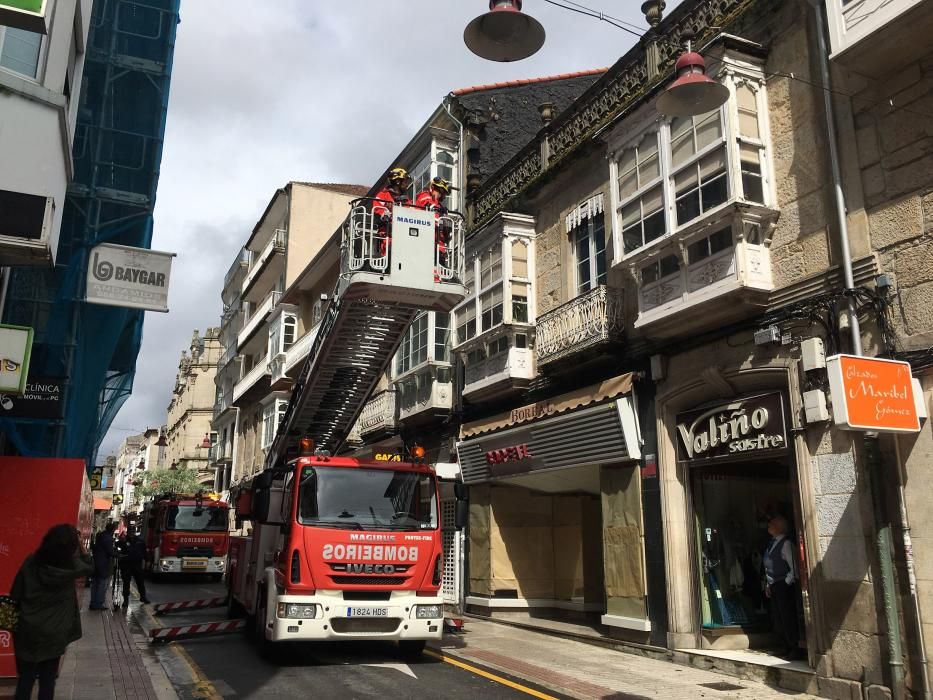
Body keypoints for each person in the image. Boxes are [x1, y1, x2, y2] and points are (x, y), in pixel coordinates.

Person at [10, 524, 93, 700]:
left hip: (27, 630)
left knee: (25, 679)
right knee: (48, 681)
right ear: (71, 546)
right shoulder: (70, 567)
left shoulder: (31, 562)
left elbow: (15, 593)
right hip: (54, 634)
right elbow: (89, 566)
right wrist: (81, 544)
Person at [763, 515, 801, 660]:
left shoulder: (786, 544)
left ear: (779, 527)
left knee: (787, 616)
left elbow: (794, 567)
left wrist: (786, 582)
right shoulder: (771, 543)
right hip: (774, 584)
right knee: (778, 617)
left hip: (783, 585)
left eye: (772, 523)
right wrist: (768, 584)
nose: (769, 525)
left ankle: (794, 648)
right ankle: (784, 646)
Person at [415, 176, 453, 279]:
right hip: (426, 239)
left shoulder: (440, 206)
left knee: (440, 270)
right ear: (433, 188)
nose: (441, 196)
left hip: (438, 242)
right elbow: (428, 205)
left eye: (443, 193)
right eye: (440, 192)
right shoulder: (424, 196)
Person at [371, 167, 412, 260]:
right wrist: (385, 216)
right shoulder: (382, 195)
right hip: (387, 235)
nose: (407, 184)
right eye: (405, 181)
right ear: (397, 181)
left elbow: (412, 214)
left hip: (404, 236)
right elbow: (376, 211)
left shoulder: (406, 200)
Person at [116, 531, 149, 606]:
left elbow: (144, 551)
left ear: (134, 532)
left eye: (132, 532)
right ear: (128, 533)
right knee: (126, 583)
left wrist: (147, 560)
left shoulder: (140, 541)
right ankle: (126, 600)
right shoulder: (123, 541)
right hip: (126, 565)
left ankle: (143, 597)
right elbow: (116, 546)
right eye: (130, 532)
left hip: (137, 564)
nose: (131, 534)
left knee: (140, 582)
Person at [89, 522, 116, 610]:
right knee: (102, 584)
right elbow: (110, 552)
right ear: (112, 530)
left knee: (95, 584)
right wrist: (117, 554)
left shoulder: (99, 536)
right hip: (103, 565)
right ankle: (98, 603)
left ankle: (93, 603)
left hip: (96, 563)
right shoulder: (108, 538)